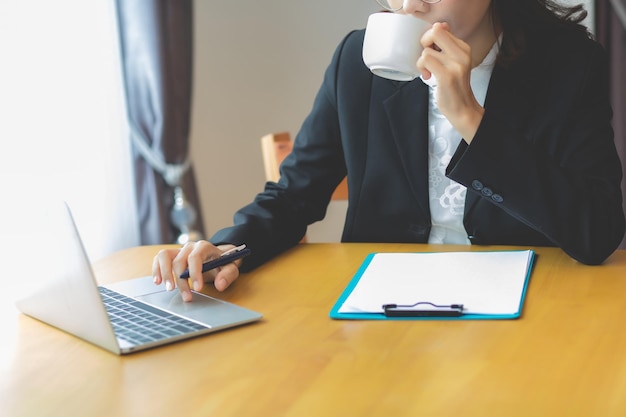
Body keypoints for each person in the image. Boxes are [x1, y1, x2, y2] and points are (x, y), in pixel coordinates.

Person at [153, 0, 625, 302]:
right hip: (384, 313)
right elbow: (294, 195)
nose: (408, 4)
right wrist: (228, 246)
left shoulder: (567, 64)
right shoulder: (357, 63)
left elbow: (597, 232)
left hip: (532, 310)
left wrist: (471, 119)